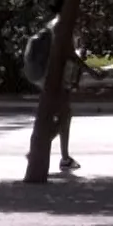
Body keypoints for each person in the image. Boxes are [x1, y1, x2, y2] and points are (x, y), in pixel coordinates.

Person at [23, 10, 83, 170]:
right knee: (64, 115)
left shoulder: (52, 24)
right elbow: (70, 54)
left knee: (64, 114)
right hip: (54, 79)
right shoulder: (63, 26)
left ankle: (64, 157)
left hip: (46, 78)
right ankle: (39, 149)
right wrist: (92, 72)